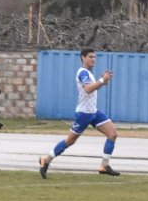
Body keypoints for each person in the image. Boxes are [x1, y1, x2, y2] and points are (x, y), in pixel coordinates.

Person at [39, 47, 120, 178]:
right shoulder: (83, 72)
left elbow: (92, 89)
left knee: (112, 134)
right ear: (83, 57)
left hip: (93, 112)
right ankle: (46, 160)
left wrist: (102, 82)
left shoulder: (89, 73)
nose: (93, 59)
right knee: (70, 141)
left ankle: (104, 166)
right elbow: (88, 89)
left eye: (94, 57)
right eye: (90, 57)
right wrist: (101, 80)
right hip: (84, 114)